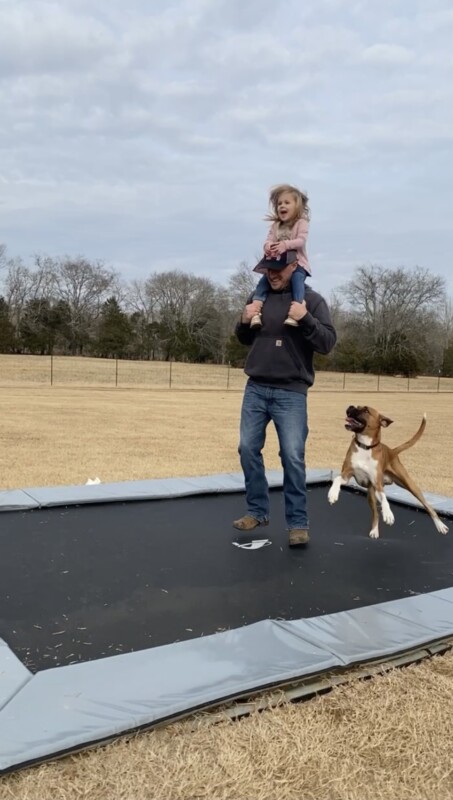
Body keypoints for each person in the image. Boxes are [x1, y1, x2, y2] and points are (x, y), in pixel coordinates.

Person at [233, 249, 336, 547]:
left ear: (294, 266)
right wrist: (243, 320)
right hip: (256, 388)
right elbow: (243, 338)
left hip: (291, 391)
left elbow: (327, 343)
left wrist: (306, 319)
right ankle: (257, 512)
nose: (272, 274)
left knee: (292, 456)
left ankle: (298, 524)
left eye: (278, 269)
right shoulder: (259, 297)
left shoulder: (312, 300)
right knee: (247, 449)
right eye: (268, 269)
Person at [251, 184, 311, 329]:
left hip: (297, 263)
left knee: (297, 279)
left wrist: (285, 245)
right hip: (277, 263)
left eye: (287, 202)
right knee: (263, 281)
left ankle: (296, 311)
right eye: (279, 203)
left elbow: (301, 241)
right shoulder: (276, 225)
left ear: (297, 206)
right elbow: (269, 239)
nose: (282, 206)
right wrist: (267, 246)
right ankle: (255, 311)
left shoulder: (301, 223)